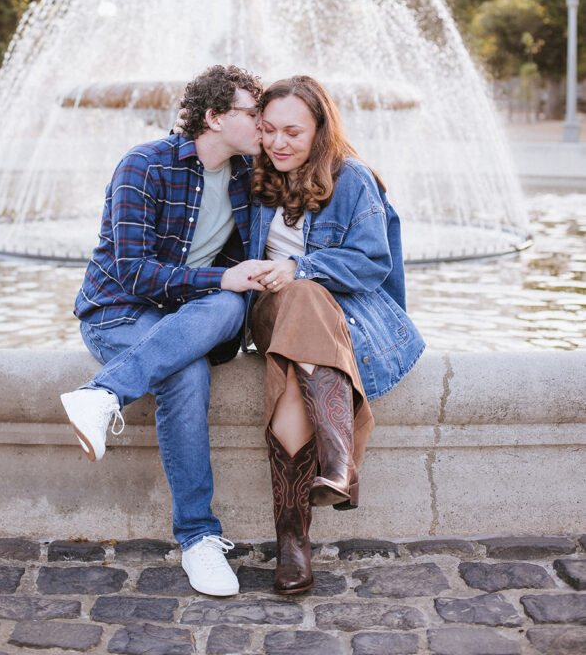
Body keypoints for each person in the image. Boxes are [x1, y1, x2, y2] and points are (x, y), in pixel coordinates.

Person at [60, 64, 268, 598]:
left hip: (194, 316)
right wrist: (221, 277)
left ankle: (103, 393)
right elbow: (131, 271)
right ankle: (199, 538)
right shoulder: (145, 166)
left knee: (229, 306)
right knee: (186, 373)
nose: (263, 125)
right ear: (215, 117)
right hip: (119, 313)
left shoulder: (249, 175)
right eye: (254, 114)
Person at [244, 75, 425, 594]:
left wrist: (301, 267)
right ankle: (340, 460)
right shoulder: (251, 173)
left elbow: (371, 262)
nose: (278, 143)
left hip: (342, 314)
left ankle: (291, 540)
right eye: (269, 129)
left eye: (293, 133)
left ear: (320, 131)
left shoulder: (353, 179)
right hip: (269, 311)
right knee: (297, 296)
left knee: (299, 320)